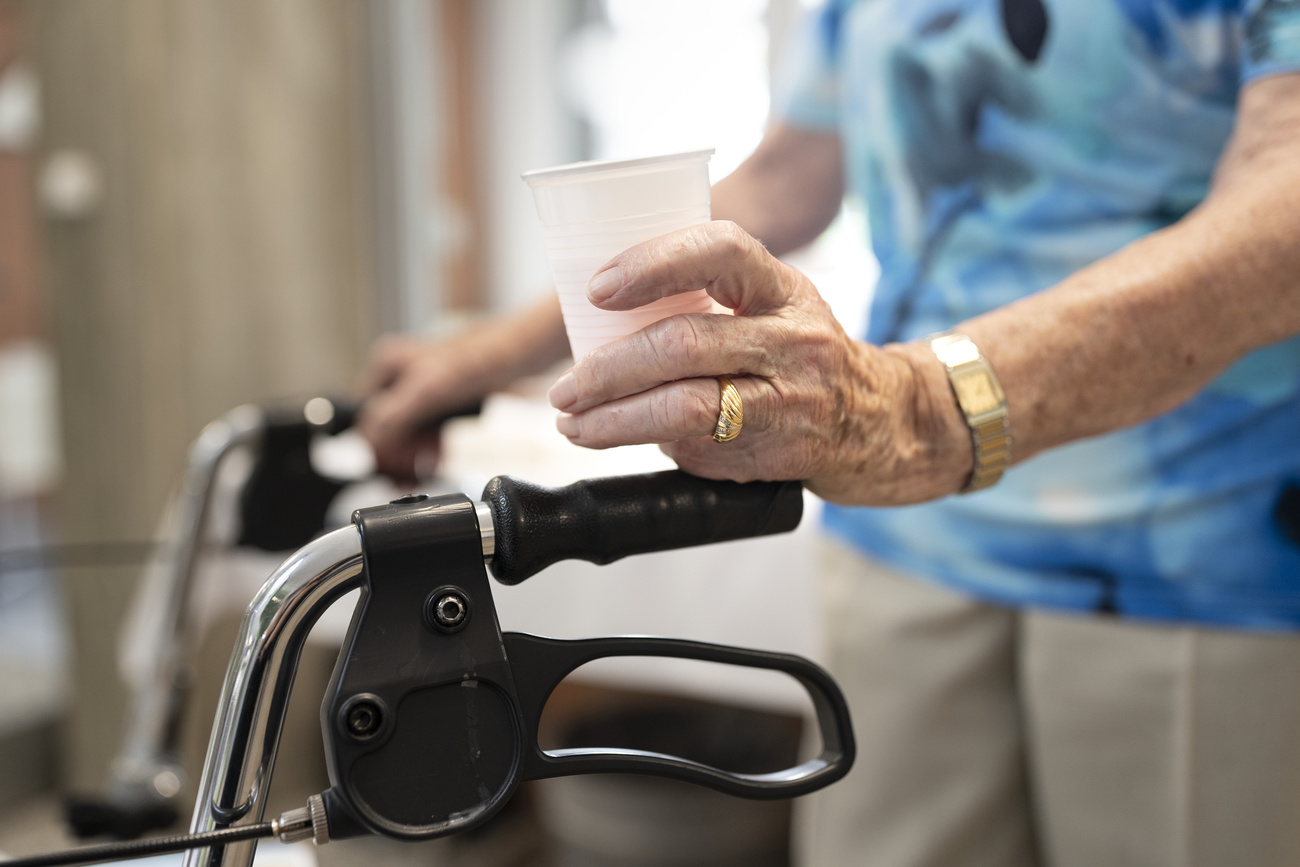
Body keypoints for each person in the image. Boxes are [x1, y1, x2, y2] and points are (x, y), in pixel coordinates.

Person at [360, 2, 1300, 864]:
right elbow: (787, 176)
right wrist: (494, 353)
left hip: (1194, 538)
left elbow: (1284, 208)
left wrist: (916, 409)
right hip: (909, 533)